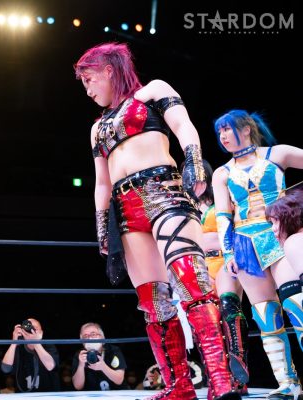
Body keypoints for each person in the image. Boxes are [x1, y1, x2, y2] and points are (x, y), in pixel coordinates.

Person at [74, 42, 238, 400]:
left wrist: (193, 160)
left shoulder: (153, 91)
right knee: (152, 301)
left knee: (192, 283)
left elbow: (184, 126)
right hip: (125, 208)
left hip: (164, 191)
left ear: (108, 70)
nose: (87, 90)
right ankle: (178, 385)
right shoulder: (97, 127)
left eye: (89, 80)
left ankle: (221, 379)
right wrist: (102, 227)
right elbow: (102, 182)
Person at [212, 109, 303, 399]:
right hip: (245, 244)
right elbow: (223, 216)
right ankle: (288, 383)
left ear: (246, 129)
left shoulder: (278, 154)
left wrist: (295, 206)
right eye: (220, 132)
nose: (223, 136)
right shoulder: (222, 173)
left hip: (279, 235)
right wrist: (229, 254)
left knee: (297, 305)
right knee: (266, 315)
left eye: (228, 129)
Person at [198, 160, 249, 390]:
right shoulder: (183, 205)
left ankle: (239, 372)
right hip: (200, 265)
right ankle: (218, 378)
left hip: (225, 258)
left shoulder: (221, 196)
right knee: (207, 320)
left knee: (229, 308)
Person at [0, 318, 60, 392]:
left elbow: (50, 366)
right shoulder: (18, 347)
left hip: (48, 394)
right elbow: (6, 369)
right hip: (24, 395)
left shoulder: (48, 345)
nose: (32, 330)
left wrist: (36, 343)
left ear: (41, 333)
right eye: (29, 327)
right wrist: (14, 342)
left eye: (35, 328)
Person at [71, 322, 127, 391]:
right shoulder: (80, 355)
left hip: (116, 393)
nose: (90, 338)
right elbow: (78, 387)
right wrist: (81, 365)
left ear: (102, 337)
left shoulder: (113, 350)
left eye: (93, 334)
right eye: (85, 336)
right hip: (91, 395)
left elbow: (119, 380)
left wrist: (103, 367)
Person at [267, 189, 303, 284]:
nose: (273, 228)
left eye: (276, 221)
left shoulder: (294, 241)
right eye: (272, 223)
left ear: (292, 217)